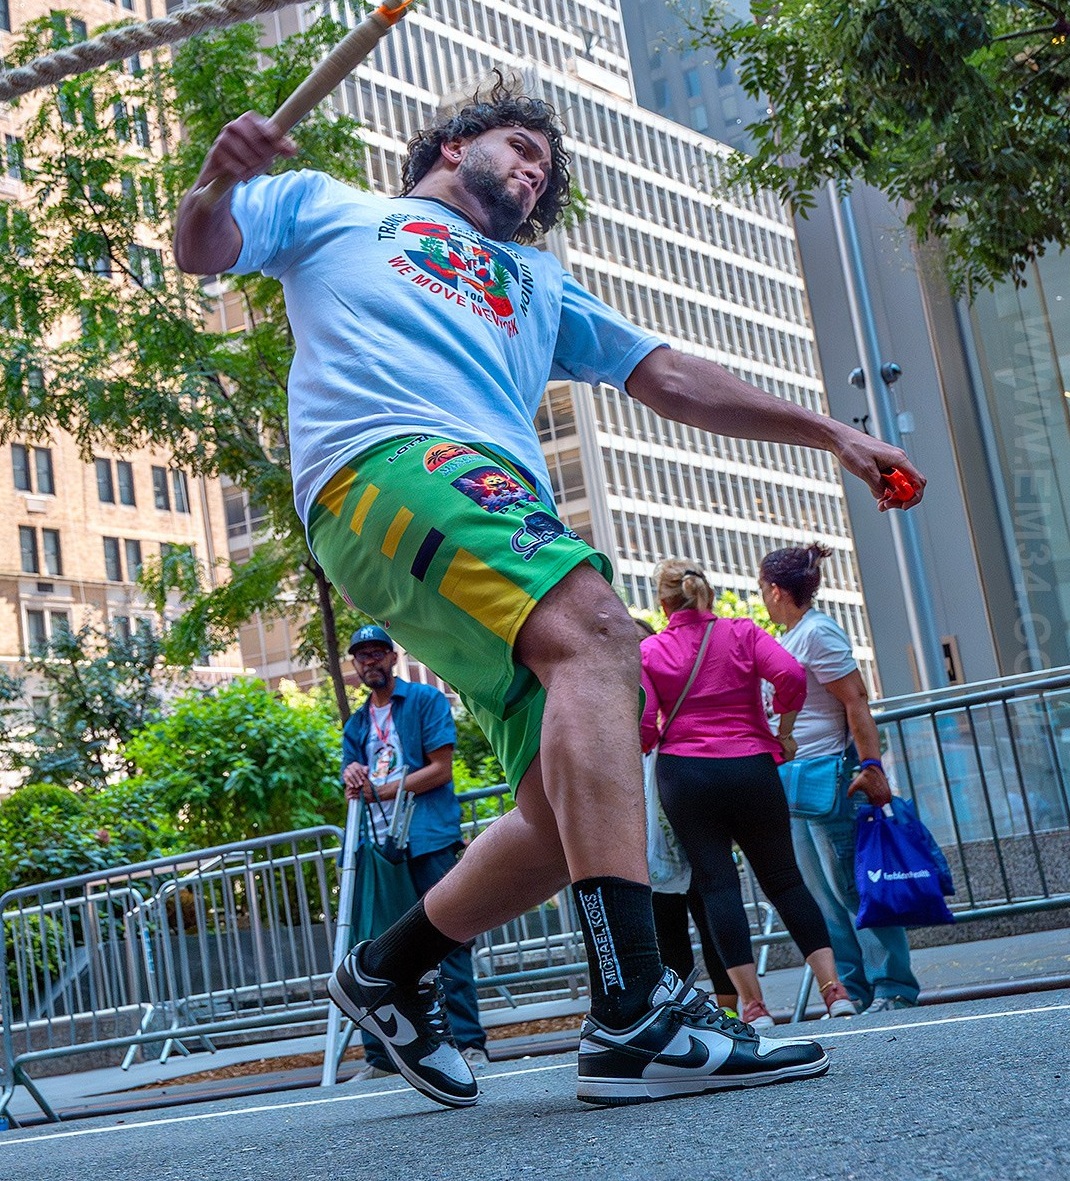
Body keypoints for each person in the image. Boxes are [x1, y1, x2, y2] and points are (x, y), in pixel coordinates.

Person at [172, 74, 925, 1105]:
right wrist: (214, 185)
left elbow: (669, 375)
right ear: (452, 138)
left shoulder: (537, 281)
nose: (533, 172)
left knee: (557, 801)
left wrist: (831, 429)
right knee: (604, 637)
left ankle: (385, 969)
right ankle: (634, 1006)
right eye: (520, 146)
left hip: (485, 511)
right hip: (386, 463)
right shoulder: (329, 205)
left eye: (545, 171)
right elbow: (201, 248)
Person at [640, 560, 858, 1030]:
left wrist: (650, 750)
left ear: (662, 604)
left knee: (718, 884)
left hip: (687, 775)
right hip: (752, 766)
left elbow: (643, 722)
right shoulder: (743, 633)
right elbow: (792, 678)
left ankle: (753, 1006)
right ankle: (834, 991)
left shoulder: (651, 649)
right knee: (785, 879)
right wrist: (784, 730)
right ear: (710, 596)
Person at [761, 542, 921, 1015]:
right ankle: (857, 987)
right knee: (823, 895)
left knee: (855, 886)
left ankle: (893, 985)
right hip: (798, 782)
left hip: (832, 777)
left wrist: (870, 767)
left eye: (762, 590)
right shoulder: (793, 636)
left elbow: (857, 700)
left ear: (775, 591)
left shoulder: (817, 633)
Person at [336, 624, 489, 1075]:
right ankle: (382, 1056)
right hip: (379, 848)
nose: (370, 662)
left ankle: (468, 1043)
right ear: (355, 665)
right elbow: (351, 782)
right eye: (362, 655)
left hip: (427, 836)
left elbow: (441, 769)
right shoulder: (357, 724)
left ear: (393, 657)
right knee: (375, 946)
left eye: (377, 652)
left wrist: (379, 790)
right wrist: (353, 778)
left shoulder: (424, 700)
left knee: (448, 937)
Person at [630, 619, 734, 1008]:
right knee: (667, 928)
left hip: (687, 817)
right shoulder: (614, 702)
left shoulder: (667, 696)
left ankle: (731, 1005)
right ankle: (682, 1009)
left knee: (710, 916)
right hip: (651, 835)